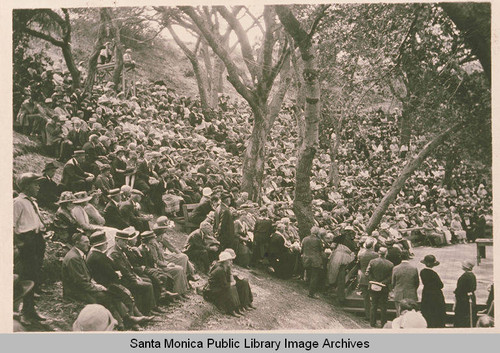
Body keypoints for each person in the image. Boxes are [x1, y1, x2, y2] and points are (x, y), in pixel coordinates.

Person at [13, 173, 46, 322]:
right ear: (26, 186)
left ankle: (30, 309)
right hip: (27, 241)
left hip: (36, 239)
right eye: (35, 184)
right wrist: (21, 244)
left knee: (34, 274)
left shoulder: (32, 202)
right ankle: (24, 312)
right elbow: (11, 225)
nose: (38, 187)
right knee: (27, 275)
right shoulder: (18, 202)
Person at [107, 228, 157, 315]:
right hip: (124, 280)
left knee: (148, 281)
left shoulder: (121, 249)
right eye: (123, 241)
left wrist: (136, 276)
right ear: (117, 240)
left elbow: (129, 267)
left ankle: (151, 308)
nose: (126, 243)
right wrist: (135, 279)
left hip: (129, 277)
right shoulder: (115, 253)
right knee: (147, 285)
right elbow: (124, 270)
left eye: (126, 241)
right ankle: (147, 312)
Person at [203, 251, 243, 317]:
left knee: (232, 287)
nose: (231, 262)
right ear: (225, 261)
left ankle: (236, 308)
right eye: (229, 260)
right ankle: (231, 310)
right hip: (211, 291)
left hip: (217, 287)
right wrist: (232, 283)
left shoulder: (224, 267)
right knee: (230, 288)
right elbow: (224, 285)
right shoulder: (220, 270)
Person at [366, 247, 393, 328]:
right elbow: (390, 277)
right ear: (386, 253)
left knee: (373, 305)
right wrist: (382, 282)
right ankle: (383, 323)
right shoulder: (390, 264)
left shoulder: (372, 262)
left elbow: (367, 273)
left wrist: (373, 281)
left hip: (373, 286)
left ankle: (372, 323)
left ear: (378, 253)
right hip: (384, 288)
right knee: (383, 306)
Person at [419, 255, 446, 328]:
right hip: (435, 295)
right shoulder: (433, 274)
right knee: (436, 311)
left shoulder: (422, 272)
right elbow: (440, 285)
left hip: (426, 293)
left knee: (427, 311)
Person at [392, 251, 419, 316]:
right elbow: (417, 283)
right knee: (411, 314)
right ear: (408, 257)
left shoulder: (395, 268)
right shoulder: (414, 268)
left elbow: (393, 282)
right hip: (411, 293)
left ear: (400, 257)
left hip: (399, 294)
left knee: (399, 313)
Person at [358, 237, 378, 321]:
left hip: (363, 277)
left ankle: (368, 315)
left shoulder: (361, 254)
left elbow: (358, 264)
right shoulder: (375, 255)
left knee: (366, 298)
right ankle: (373, 316)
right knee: (374, 297)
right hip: (373, 277)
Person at [301, 228, 324, 299]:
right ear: (317, 233)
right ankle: (311, 293)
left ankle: (308, 289)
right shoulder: (318, 240)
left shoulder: (305, 239)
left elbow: (302, 249)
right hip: (315, 260)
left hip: (306, 259)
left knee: (309, 274)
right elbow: (321, 250)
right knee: (314, 276)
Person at [454, 260, 477, 327]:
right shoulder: (472, 275)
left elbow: (459, 289)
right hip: (470, 297)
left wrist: (456, 294)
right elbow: (474, 288)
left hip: (463, 299)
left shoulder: (465, 276)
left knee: (462, 315)